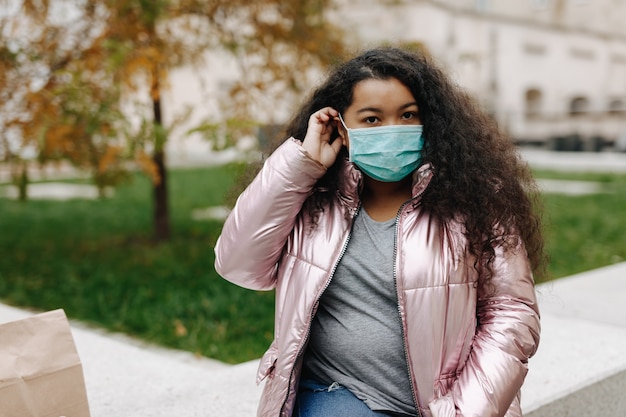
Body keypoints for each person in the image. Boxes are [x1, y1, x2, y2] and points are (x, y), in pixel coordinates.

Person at [214, 47, 545, 417]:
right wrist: (301, 167)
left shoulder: (478, 198)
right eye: (372, 119)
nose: (393, 131)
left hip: (448, 407)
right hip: (335, 391)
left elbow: (511, 313)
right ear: (340, 126)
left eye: (408, 115)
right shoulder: (313, 199)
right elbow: (237, 264)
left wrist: (464, 412)